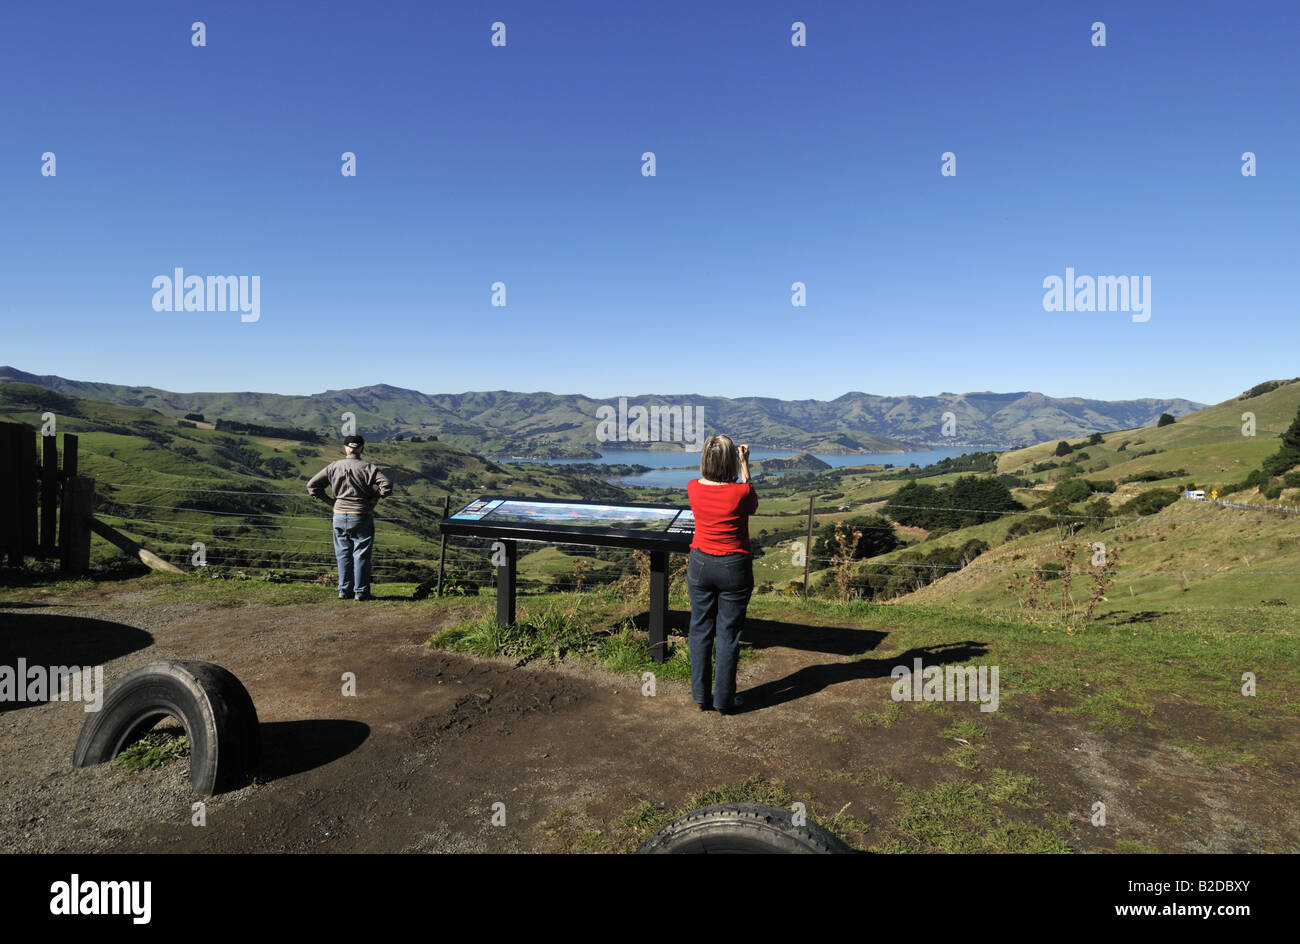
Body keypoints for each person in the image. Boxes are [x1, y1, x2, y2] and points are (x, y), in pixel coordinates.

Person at [686, 434, 758, 713]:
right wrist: (745, 465)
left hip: (700, 564)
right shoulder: (740, 492)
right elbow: (752, 503)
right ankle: (724, 700)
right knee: (728, 634)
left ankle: (700, 696)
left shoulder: (693, 488)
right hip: (734, 567)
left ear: (705, 458)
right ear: (730, 460)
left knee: (700, 628)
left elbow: (710, 484)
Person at [307, 435, 393, 600]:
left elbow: (312, 485)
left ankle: (344, 591)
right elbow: (386, 485)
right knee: (361, 554)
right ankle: (360, 593)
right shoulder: (368, 467)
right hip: (361, 514)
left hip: (339, 514)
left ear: (344, 448)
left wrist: (330, 501)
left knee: (343, 554)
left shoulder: (334, 466)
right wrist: (374, 499)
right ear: (362, 448)